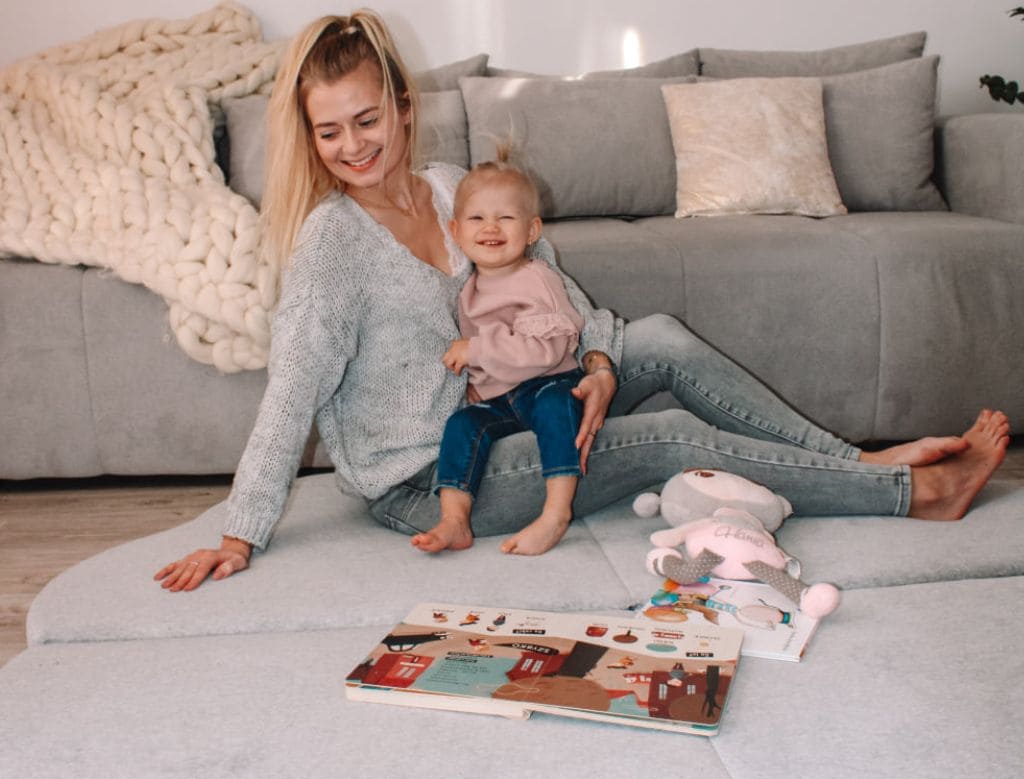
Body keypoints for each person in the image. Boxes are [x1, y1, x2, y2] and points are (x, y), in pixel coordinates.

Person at [155, 10, 1010, 593]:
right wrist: (241, 532)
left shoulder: (452, 189)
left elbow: (558, 293)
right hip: (437, 474)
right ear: (308, 136)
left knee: (661, 337)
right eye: (329, 130)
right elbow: (293, 389)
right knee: (669, 438)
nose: (353, 146)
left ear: (403, 108)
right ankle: (914, 493)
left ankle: (856, 460)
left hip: (527, 395)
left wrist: (599, 364)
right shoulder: (333, 243)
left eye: (366, 119)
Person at [412, 156, 586, 556]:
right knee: (462, 424)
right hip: (503, 400)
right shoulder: (468, 290)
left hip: (548, 382)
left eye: (505, 218)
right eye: (477, 218)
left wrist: (476, 350)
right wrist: (477, 383)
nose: (490, 228)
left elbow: (545, 351)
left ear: (532, 230)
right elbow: (487, 360)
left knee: (556, 407)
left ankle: (556, 512)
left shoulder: (535, 279)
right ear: (455, 231)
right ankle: (455, 518)